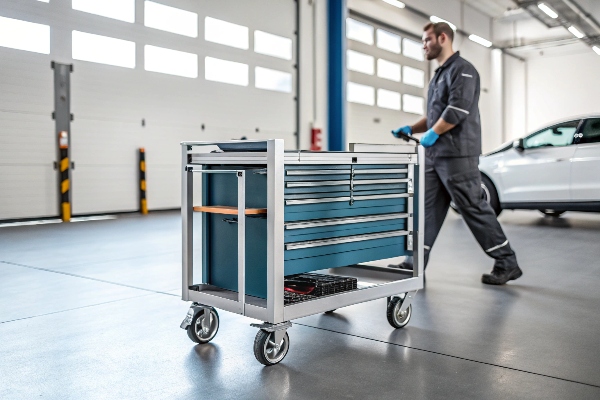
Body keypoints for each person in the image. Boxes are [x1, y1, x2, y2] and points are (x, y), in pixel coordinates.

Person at [390, 22, 522, 285]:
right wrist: (413, 128)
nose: (424, 45)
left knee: (471, 206)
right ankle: (414, 262)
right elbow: (434, 116)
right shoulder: (440, 74)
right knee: (425, 208)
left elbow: (456, 111)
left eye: (427, 39)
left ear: (443, 37)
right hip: (435, 154)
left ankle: (507, 262)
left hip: (457, 154)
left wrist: (433, 133)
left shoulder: (464, 71)